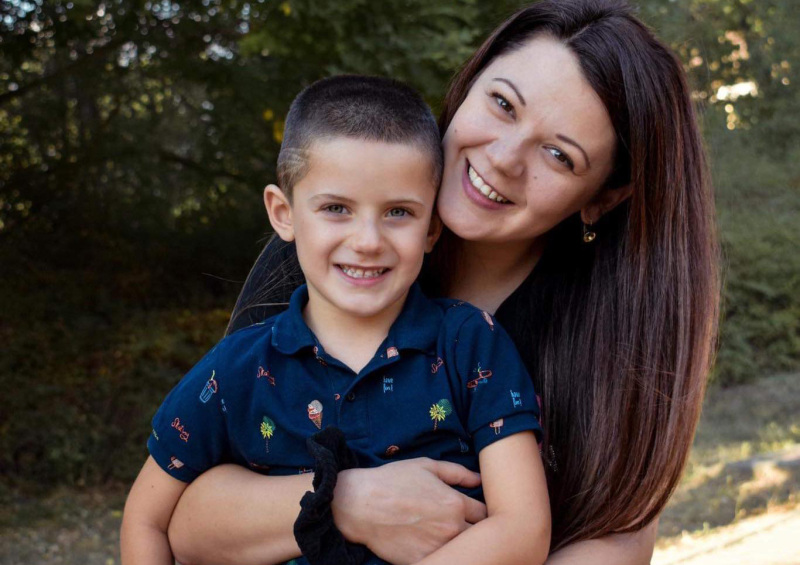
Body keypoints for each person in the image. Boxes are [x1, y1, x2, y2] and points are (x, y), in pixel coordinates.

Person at [165, 1, 720, 564]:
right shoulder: (335, 253)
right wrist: (346, 499)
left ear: (602, 198)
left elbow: (618, 535)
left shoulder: (609, 332)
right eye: (502, 104)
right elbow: (185, 514)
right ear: (468, 83)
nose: (503, 158)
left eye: (558, 154)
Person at [120, 75, 550, 565]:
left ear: (432, 227)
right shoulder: (236, 368)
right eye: (336, 208)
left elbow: (524, 530)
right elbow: (147, 520)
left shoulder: (469, 343)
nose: (367, 240)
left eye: (398, 212)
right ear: (283, 213)